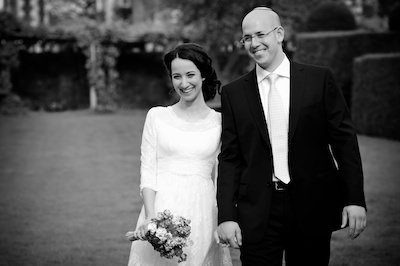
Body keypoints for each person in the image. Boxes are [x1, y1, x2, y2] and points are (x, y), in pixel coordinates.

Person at [216, 7, 367, 266]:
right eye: (247, 37)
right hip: (258, 211)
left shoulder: (319, 80)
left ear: (279, 34)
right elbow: (230, 158)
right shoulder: (233, 93)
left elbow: (345, 144)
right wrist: (227, 216)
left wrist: (354, 199)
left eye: (260, 34)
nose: (253, 43)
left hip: (312, 205)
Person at [126, 43, 232, 266]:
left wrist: (222, 219)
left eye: (190, 74)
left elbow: (222, 176)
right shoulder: (157, 116)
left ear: (203, 75)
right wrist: (151, 218)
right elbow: (148, 169)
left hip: (203, 212)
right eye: (177, 76)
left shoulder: (220, 123)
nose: (184, 83)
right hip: (161, 207)